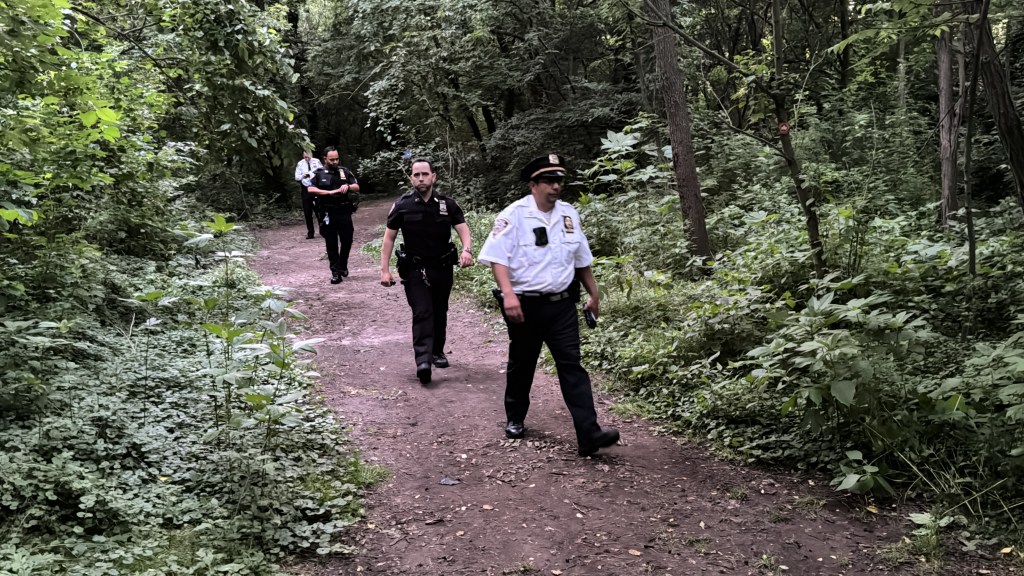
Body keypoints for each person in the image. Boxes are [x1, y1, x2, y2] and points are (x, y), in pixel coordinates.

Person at [477, 153, 620, 457]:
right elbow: (497, 258)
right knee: (522, 363)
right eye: (549, 181)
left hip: (562, 307)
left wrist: (594, 294)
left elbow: (581, 259)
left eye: (559, 181)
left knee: (572, 367)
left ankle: (588, 434)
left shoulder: (569, 215)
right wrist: (509, 295)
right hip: (525, 306)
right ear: (534, 185)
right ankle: (515, 417)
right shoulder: (513, 215)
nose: (556, 186)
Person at [380, 159, 473, 385]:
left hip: (442, 267)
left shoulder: (447, 204)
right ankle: (423, 361)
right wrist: (384, 270)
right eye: (416, 175)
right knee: (422, 311)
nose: (420, 178)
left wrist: (467, 250)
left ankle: (437, 352)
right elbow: (389, 237)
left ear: (434, 176)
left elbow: (463, 229)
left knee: (439, 310)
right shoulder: (402, 205)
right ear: (411, 178)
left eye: (425, 174)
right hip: (415, 269)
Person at [307, 146, 360, 284]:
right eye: (332, 159)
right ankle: (335, 272)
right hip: (327, 212)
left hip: (344, 211)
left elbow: (356, 186)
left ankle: (343, 264)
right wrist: (329, 193)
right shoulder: (318, 173)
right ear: (325, 159)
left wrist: (348, 187)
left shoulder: (344, 171)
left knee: (347, 240)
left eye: (337, 159)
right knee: (331, 243)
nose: (335, 161)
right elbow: (310, 188)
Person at [293, 150, 323, 239]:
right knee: (307, 211)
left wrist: (312, 174)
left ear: (311, 155)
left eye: (308, 157)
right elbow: (297, 177)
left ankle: (323, 230)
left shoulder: (316, 161)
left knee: (319, 210)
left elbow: (321, 171)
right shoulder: (300, 164)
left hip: (316, 187)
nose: (307, 159)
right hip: (305, 189)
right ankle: (310, 232)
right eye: (305, 157)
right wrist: (303, 176)